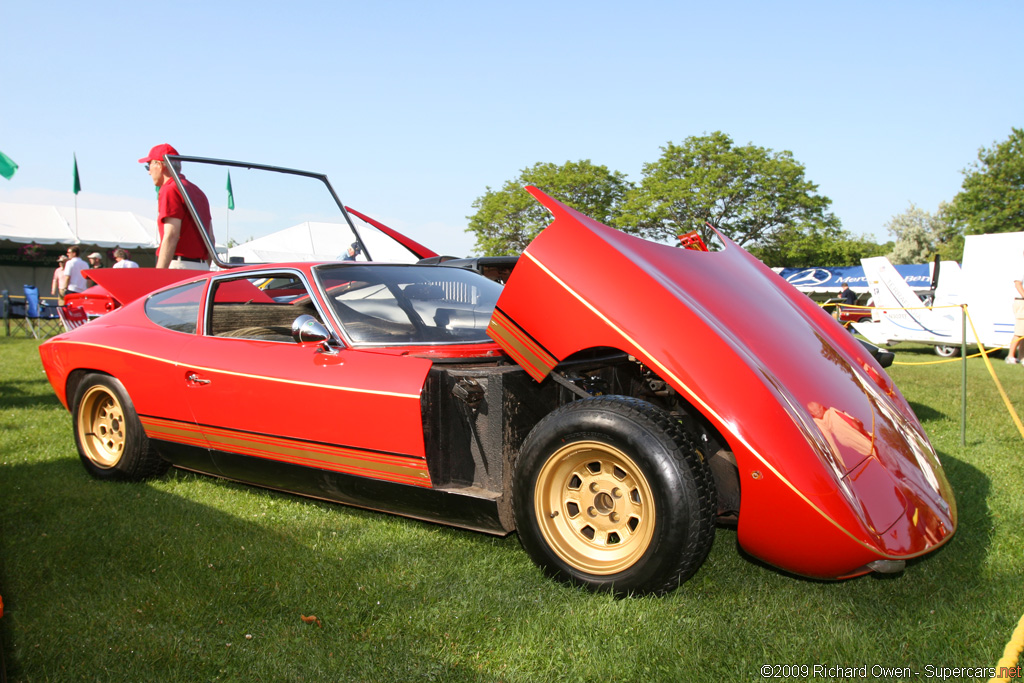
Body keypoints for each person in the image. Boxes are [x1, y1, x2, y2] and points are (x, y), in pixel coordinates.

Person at [138, 144, 213, 270]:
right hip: (202, 267)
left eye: (148, 166)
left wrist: (160, 273)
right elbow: (210, 239)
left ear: (159, 165)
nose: (149, 172)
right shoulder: (198, 191)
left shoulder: (170, 189)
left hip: (179, 266)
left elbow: (171, 235)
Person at [1007, 257, 1024, 364]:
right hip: (1021, 301)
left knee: (1023, 332)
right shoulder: (1021, 266)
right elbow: (1017, 284)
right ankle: (1010, 356)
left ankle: (1021, 356)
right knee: (1019, 331)